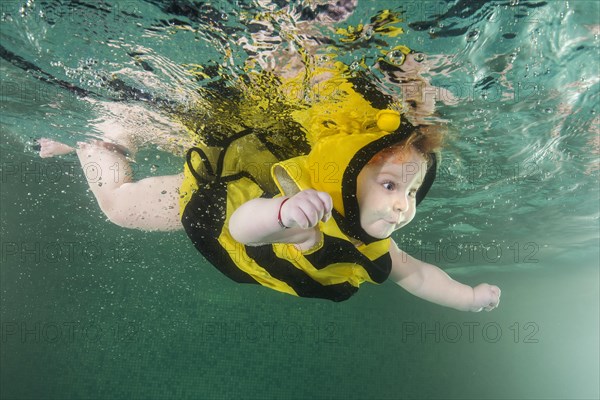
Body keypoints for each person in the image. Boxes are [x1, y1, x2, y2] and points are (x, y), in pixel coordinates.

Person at [37, 73, 501, 310]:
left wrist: (466, 298)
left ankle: (100, 139)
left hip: (246, 196)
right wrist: (283, 214)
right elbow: (244, 229)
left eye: (414, 192)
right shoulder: (304, 217)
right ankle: (92, 138)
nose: (404, 203)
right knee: (117, 206)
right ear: (345, 175)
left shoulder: (377, 244)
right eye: (389, 185)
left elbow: (417, 276)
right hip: (223, 209)